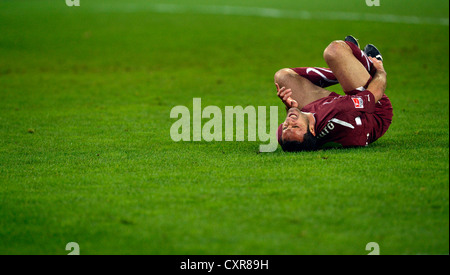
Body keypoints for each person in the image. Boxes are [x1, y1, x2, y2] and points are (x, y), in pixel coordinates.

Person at [274, 36, 393, 151]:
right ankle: (361, 65)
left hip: (337, 109)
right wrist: (379, 69)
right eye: (295, 126)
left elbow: (293, 132)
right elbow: (375, 93)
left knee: (282, 77)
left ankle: (346, 68)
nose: (289, 122)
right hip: (374, 109)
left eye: (286, 126)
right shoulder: (340, 113)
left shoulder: (287, 137)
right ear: (312, 129)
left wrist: (291, 107)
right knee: (334, 51)